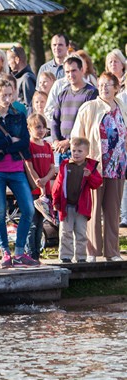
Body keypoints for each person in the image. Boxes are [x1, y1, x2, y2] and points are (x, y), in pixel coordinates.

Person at [71, 72, 127, 261]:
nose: (103, 87)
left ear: (116, 87)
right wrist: (81, 162)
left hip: (118, 166)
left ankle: (112, 252)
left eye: (108, 84)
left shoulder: (122, 106)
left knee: (113, 210)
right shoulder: (90, 107)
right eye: (101, 84)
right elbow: (77, 137)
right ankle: (92, 251)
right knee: (93, 211)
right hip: (95, 166)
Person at [0, 78, 38, 268]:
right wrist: (10, 141)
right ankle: (5, 252)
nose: (8, 99)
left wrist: (3, 145)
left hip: (16, 167)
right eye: (4, 95)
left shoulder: (18, 115)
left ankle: (19, 251)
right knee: (0, 212)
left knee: (28, 209)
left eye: (10, 94)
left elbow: (24, 142)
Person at [51, 137, 102, 263]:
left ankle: (81, 257)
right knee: (65, 232)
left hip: (82, 206)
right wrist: (55, 201)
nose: (76, 153)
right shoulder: (66, 165)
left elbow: (97, 183)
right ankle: (65, 256)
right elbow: (58, 185)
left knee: (81, 233)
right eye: (74, 151)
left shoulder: (90, 167)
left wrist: (89, 176)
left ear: (87, 153)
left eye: (80, 151)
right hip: (66, 205)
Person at [50, 56, 98, 165]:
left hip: (80, 151)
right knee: (62, 181)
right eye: (67, 72)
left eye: (73, 70)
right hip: (61, 151)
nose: (70, 75)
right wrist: (56, 141)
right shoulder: (62, 94)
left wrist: (69, 142)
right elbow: (55, 121)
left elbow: (89, 125)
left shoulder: (91, 93)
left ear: (82, 70)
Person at [25, 113, 57, 262]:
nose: (41, 130)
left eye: (43, 127)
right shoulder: (29, 146)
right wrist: (37, 180)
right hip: (33, 190)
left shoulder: (47, 146)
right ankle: (30, 254)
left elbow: (52, 168)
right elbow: (29, 166)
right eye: (38, 127)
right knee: (32, 223)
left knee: (39, 224)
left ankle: (36, 255)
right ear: (30, 128)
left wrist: (45, 179)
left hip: (45, 191)